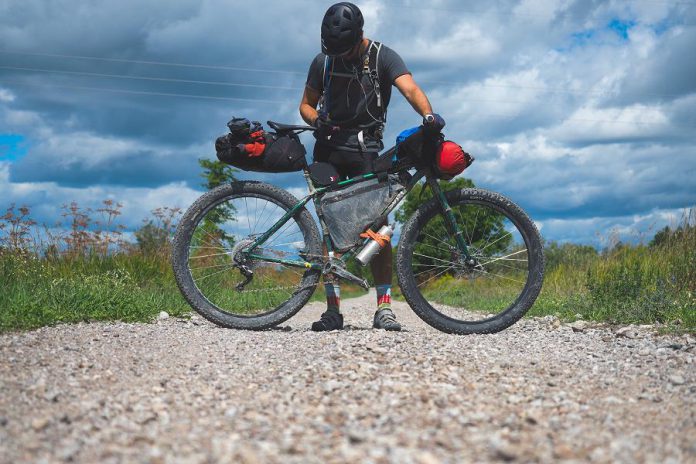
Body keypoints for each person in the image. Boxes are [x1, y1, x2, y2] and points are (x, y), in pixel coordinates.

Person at [299, 2, 444, 332]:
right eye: (333, 50)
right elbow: (305, 105)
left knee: (379, 228)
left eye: (346, 49)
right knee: (330, 226)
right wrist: (316, 120)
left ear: (359, 37)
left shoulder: (383, 57)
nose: (340, 56)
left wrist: (428, 117)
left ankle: (384, 308)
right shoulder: (322, 62)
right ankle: (333, 310)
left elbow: (410, 88)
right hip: (329, 147)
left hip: (367, 150)